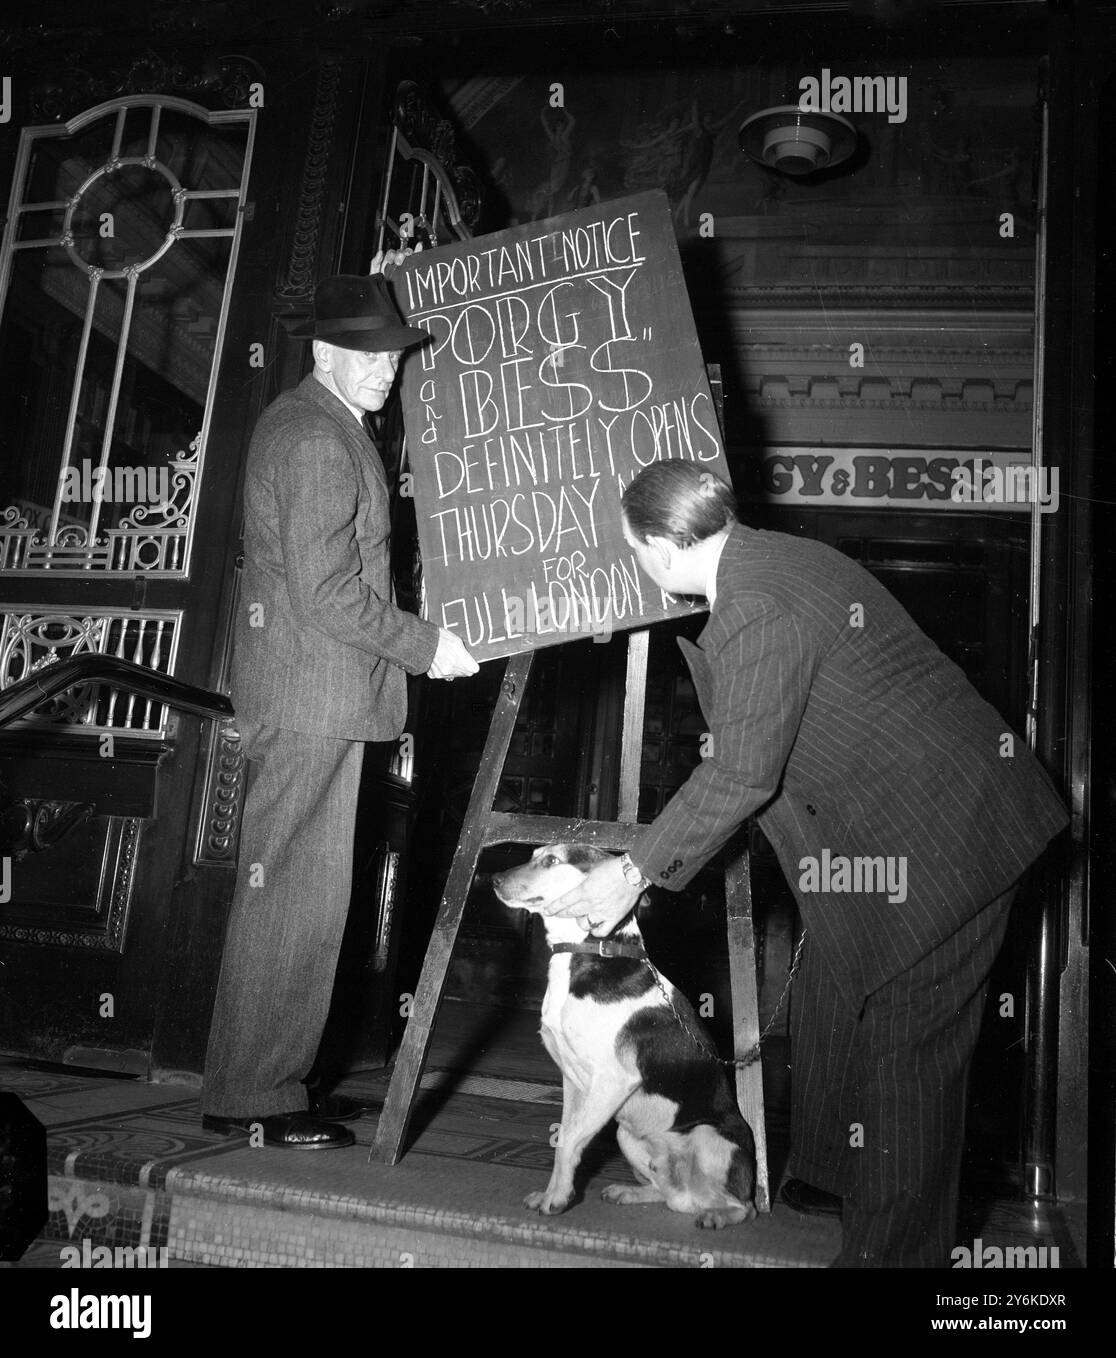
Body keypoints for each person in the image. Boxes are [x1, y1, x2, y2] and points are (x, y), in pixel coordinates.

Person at [545, 458, 1068, 1265]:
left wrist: (633, 869)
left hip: (946, 841)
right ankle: (828, 1177)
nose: (637, 567)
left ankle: (892, 1256)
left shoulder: (755, 603)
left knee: (907, 1055)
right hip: (909, 827)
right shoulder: (774, 560)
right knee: (838, 986)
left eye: (633, 550)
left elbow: (744, 770)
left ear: (658, 543)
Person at [201, 271, 478, 1149]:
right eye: (366, 354)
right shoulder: (318, 440)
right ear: (324, 351)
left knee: (306, 895)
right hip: (312, 692)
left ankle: (281, 1081)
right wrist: (426, 645)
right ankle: (255, 1094)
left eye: (392, 356)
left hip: (317, 692)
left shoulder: (319, 426)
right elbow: (326, 594)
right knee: (292, 896)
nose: (385, 371)